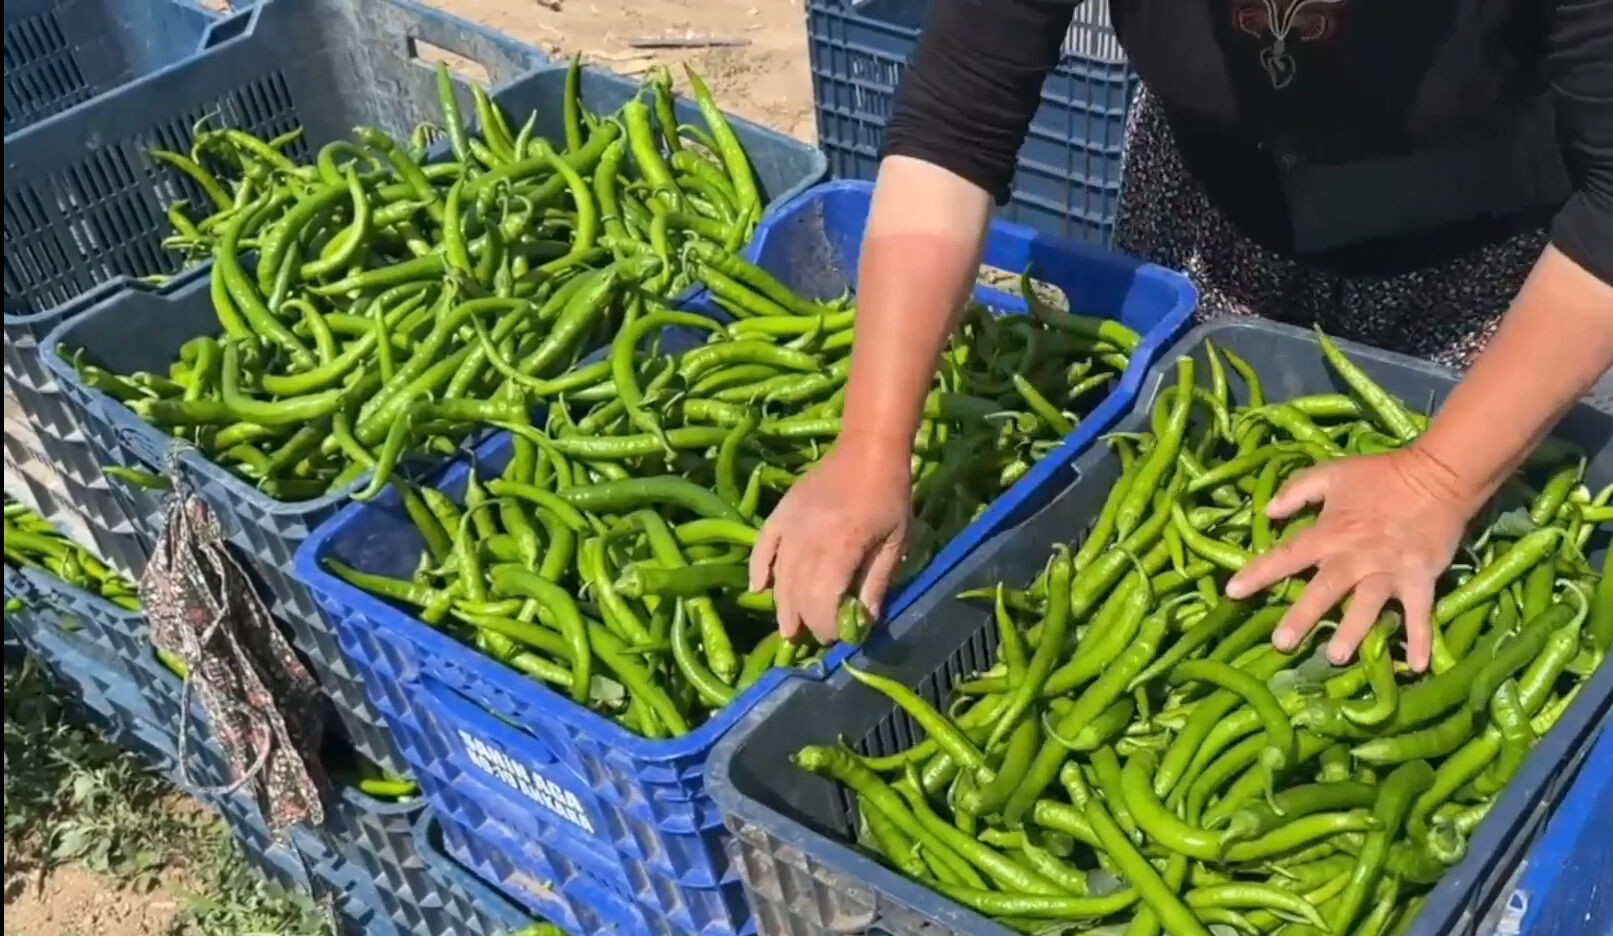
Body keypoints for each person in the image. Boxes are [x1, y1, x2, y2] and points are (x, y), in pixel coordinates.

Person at [749, 0, 1613, 669]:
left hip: (1491, 273)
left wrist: (1438, 476)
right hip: (1209, 211)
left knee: (1424, 579)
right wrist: (869, 445)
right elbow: (954, 122)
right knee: (1180, 487)